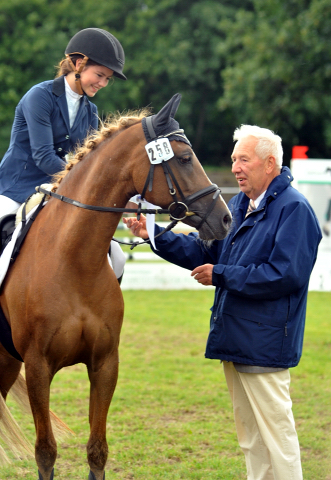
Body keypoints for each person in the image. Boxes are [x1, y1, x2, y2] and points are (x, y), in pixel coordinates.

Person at [123, 124, 322, 480]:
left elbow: (284, 275)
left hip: (266, 343)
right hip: (236, 338)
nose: (235, 168)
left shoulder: (295, 210)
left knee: (277, 438)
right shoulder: (238, 204)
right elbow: (207, 250)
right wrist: (153, 235)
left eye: (243, 159)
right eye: (233, 160)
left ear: (270, 163)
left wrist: (221, 275)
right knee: (251, 440)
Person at [0, 27, 126, 280]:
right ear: (78, 64)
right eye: (99, 75)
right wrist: (79, 182)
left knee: (118, 256)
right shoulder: (40, 96)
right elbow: (44, 156)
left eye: (107, 78)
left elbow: (88, 161)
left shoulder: (89, 110)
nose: (102, 83)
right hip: (15, 189)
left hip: (56, 191)